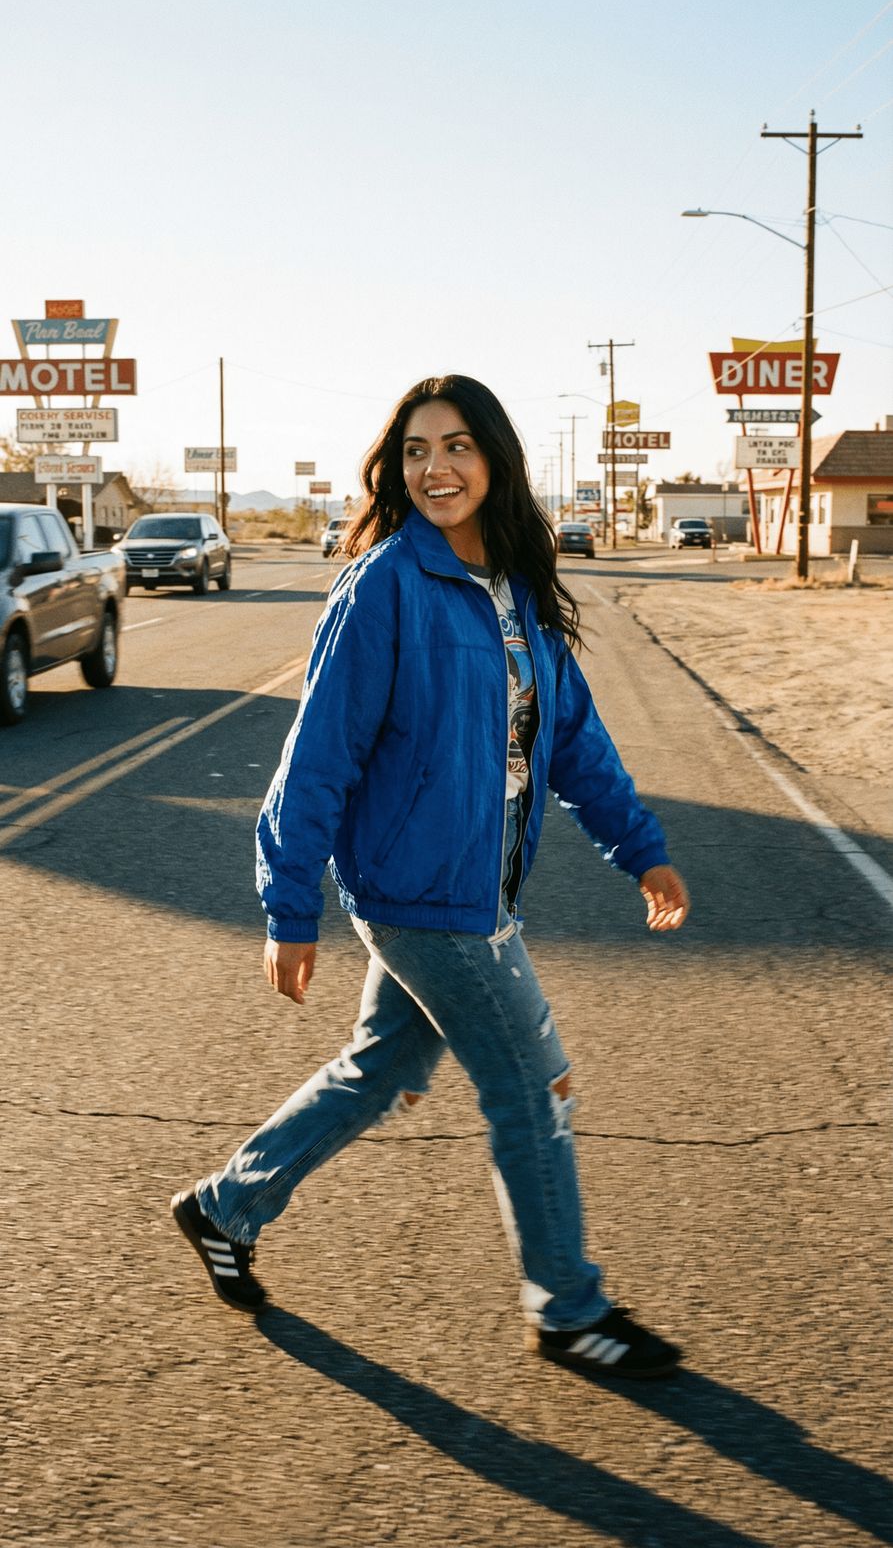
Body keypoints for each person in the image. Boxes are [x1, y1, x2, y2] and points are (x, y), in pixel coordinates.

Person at [172, 374, 690, 1381]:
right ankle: (567, 1309)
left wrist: (641, 847)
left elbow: (571, 738)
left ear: (492, 458)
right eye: (414, 450)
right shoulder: (382, 587)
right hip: (425, 902)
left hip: (473, 886)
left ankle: (226, 1204)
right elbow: (315, 756)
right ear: (394, 466)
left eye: (454, 446)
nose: (433, 467)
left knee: (385, 1069)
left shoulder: (518, 589)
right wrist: (289, 906)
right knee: (534, 1089)